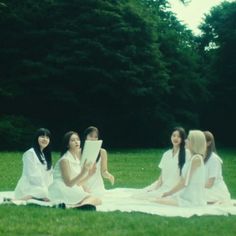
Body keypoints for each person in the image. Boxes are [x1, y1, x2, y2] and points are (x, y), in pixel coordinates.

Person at [48, 131, 101, 209]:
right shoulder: (64, 160)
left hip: (70, 187)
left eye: (78, 139)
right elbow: (68, 183)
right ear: (67, 144)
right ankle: (78, 207)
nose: (76, 142)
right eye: (72, 140)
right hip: (61, 188)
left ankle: (79, 206)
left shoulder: (76, 159)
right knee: (94, 199)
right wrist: (83, 173)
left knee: (97, 200)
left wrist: (90, 175)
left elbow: (78, 183)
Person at [134, 127, 190, 199]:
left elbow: (185, 178)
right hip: (164, 185)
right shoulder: (166, 154)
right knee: (141, 196)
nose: (175, 138)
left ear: (182, 139)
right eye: (174, 135)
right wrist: (156, 188)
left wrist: (170, 192)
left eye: (179, 136)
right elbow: (162, 176)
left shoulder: (187, 154)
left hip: (177, 189)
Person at [154, 130, 207, 207]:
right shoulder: (192, 158)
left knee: (156, 201)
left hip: (192, 199)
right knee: (155, 199)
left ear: (194, 142)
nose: (185, 141)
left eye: (188, 139)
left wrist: (168, 193)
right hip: (185, 194)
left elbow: (184, 182)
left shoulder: (196, 159)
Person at [14, 128, 53, 201]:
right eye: (42, 136)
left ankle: (40, 197)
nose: (45, 139)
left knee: (53, 192)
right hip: (29, 187)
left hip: (41, 187)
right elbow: (32, 175)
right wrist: (45, 188)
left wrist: (50, 188)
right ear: (36, 138)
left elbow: (49, 175)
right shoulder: (30, 153)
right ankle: (25, 198)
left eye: (47, 137)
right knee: (44, 192)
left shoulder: (45, 155)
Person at [82, 126, 114, 196]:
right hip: (82, 185)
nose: (93, 139)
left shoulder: (102, 152)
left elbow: (104, 171)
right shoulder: (79, 152)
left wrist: (109, 175)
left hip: (97, 186)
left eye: (95, 137)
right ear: (85, 137)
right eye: (91, 136)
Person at [204, 131, 231, 204]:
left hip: (215, 190)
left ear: (208, 143)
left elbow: (210, 184)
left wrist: (195, 186)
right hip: (204, 188)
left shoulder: (214, 159)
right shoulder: (200, 157)